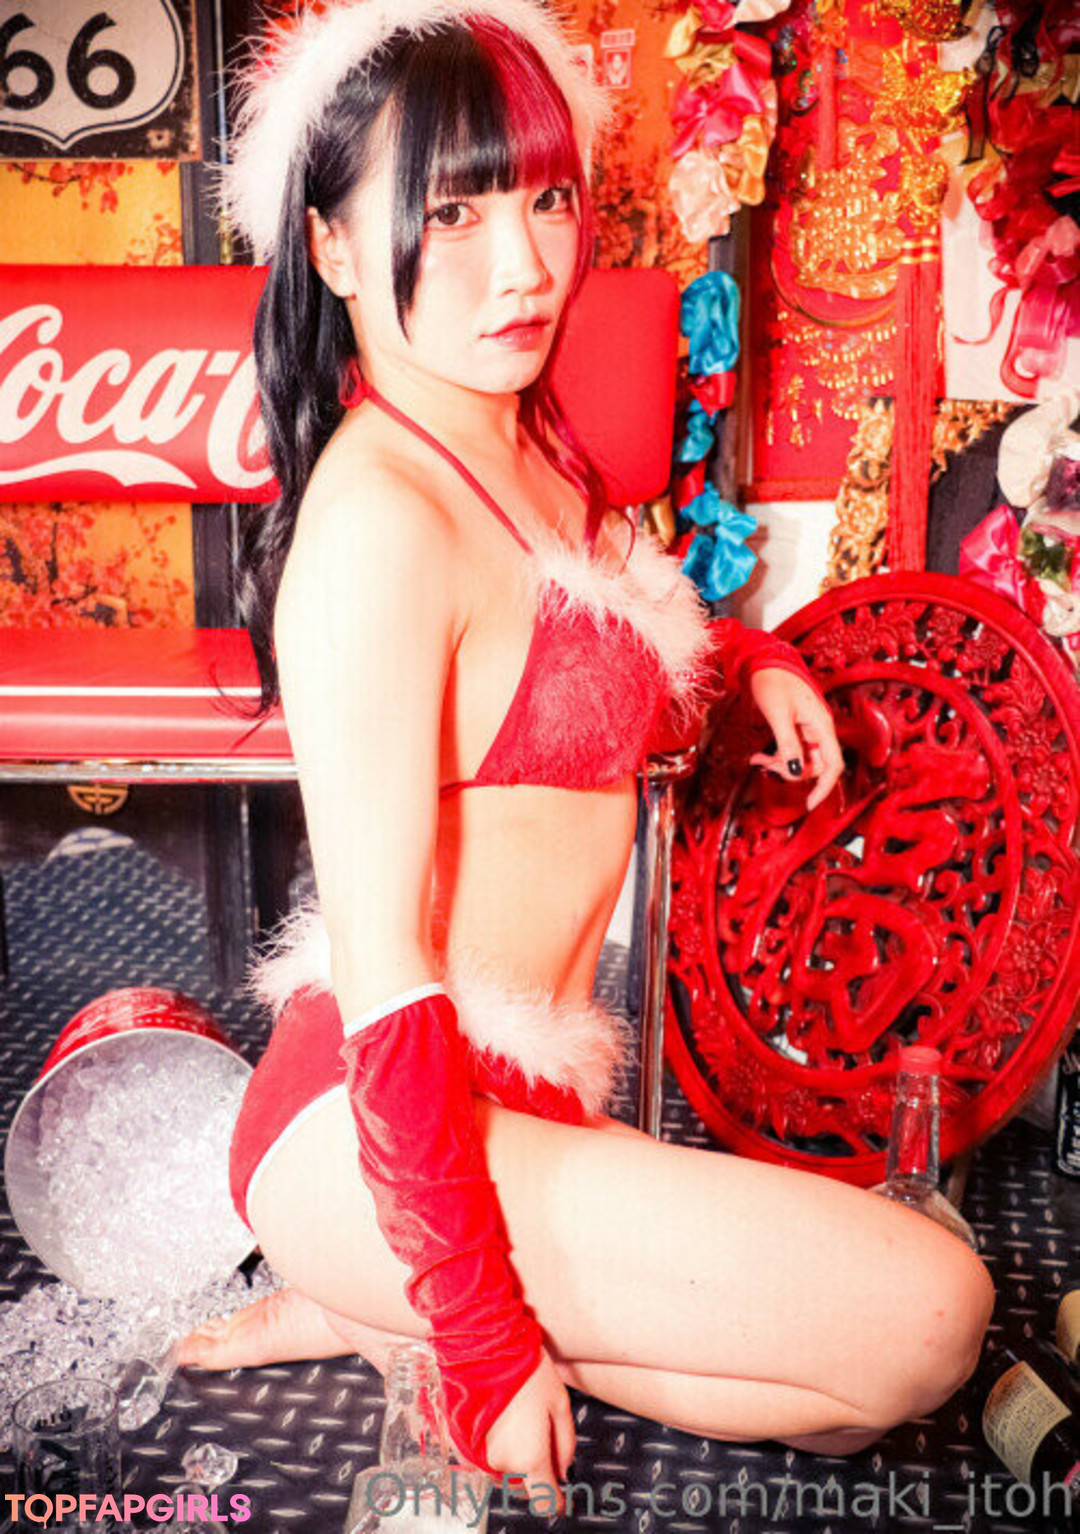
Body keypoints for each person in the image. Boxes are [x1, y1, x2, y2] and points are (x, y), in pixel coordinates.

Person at [178, 0, 995, 1515]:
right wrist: (483, 1342)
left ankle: (368, 1313)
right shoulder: (379, 528)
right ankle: (390, 1291)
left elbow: (616, 636)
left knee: (844, 1409)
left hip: (530, 1108)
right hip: (378, 1126)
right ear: (335, 248)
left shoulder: (526, 447)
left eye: (548, 201)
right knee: (935, 1308)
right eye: (452, 213)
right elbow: (386, 978)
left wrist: (747, 663)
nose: (525, 265)